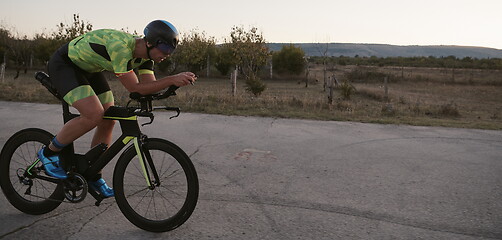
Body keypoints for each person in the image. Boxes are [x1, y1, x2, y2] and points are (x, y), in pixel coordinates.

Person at [38, 20, 196, 198]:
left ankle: (94, 175)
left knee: (109, 119)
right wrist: (171, 79)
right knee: (94, 115)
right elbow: (135, 88)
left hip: (90, 69)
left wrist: (174, 85)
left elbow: (149, 86)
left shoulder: (146, 58)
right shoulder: (121, 48)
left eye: (171, 51)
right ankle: (49, 152)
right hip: (65, 65)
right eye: (166, 49)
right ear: (150, 42)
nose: (167, 55)